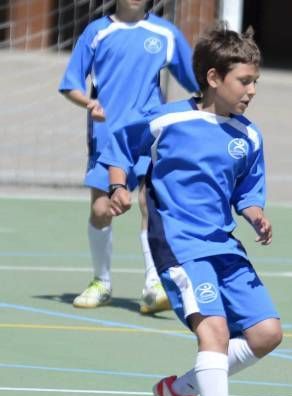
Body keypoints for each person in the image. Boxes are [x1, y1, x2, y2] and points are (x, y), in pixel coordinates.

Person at [99, 22, 282, 396]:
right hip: (179, 243)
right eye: (244, 80)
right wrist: (119, 186)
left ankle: (180, 391)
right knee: (214, 332)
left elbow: (247, 189)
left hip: (224, 244)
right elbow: (120, 144)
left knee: (266, 334)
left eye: (256, 81)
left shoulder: (249, 135)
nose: (252, 90)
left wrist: (255, 213)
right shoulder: (167, 120)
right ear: (213, 78)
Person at [59, 0, 199, 313]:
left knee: (149, 203)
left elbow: (196, 82)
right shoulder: (97, 32)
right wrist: (89, 104)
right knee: (101, 209)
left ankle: (153, 283)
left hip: (150, 133)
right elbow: (70, 84)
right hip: (106, 135)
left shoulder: (165, 33)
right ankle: (102, 282)